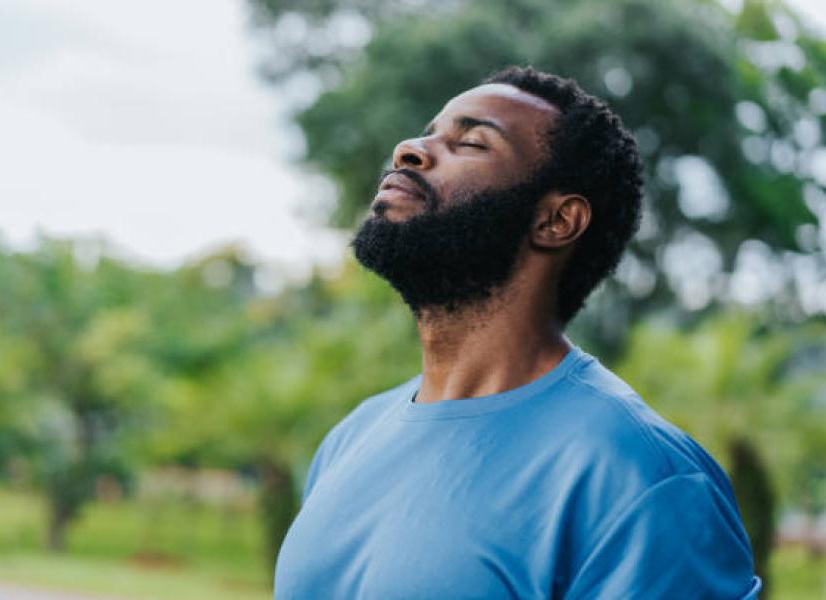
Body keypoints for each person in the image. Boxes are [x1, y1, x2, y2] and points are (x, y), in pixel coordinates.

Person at [274, 66, 761, 599]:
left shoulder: (642, 477)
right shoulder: (351, 438)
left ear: (556, 221)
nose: (410, 149)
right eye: (429, 131)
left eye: (471, 142)